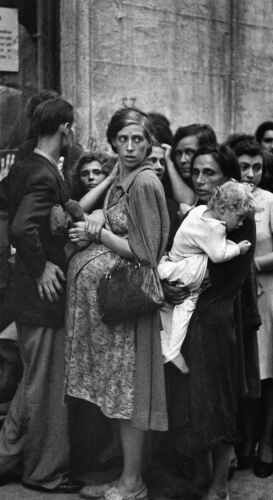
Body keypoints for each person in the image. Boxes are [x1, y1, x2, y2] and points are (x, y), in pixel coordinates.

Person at [66, 107, 170, 500]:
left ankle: (133, 483)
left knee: (129, 395)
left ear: (149, 143)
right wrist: (97, 214)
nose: (129, 147)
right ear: (112, 141)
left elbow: (146, 253)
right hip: (113, 309)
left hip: (128, 303)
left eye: (138, 140)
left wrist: (98, 234)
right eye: (122, 139)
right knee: (117, 393)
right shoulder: (123, 177)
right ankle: (124, 477)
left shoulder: (145, 183)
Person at [0, 97, 82, 494]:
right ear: (64, 128)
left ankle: (3, 462)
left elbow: (26, 213)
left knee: (34, 381)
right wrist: (42, 266)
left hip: (29, 298)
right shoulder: (44, 173)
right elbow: (22, 227)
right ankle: (45, 473)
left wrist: (70, 208)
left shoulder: (28, 166)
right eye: (71, 128)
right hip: (43, 297)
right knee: (45, 390)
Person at [164, 144, 258, 500]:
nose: (200, 180)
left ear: (227, 179)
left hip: (216, 321)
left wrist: (178, 285)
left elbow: (224, 275)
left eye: (210, 174)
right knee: (191, 403)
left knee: (216, 403)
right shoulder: (199, 214)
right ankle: (201, 479)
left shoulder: (238, 217)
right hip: (189, 319)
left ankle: (219, 487)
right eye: (196, 173)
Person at [159, 181, 253, 374]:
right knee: (188, 303)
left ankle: (167, 346)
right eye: (240, 217)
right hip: (191, 271)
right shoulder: (216, 227)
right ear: (223, 208)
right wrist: (237, 248)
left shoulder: (198, 211)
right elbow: (218, 255)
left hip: (176, 263)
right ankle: (172, 350)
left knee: (170, 307)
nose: (241, 223)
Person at [230, 136, 273, 478]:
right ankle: (244, 440)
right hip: (237, 295)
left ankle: (268, 442)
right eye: (244, 166)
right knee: (245, 371)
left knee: (268, 372)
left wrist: (251, 265)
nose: (251, 173)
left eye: (257, 167)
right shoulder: (226, 199)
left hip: (267, 294)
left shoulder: (270, 201)